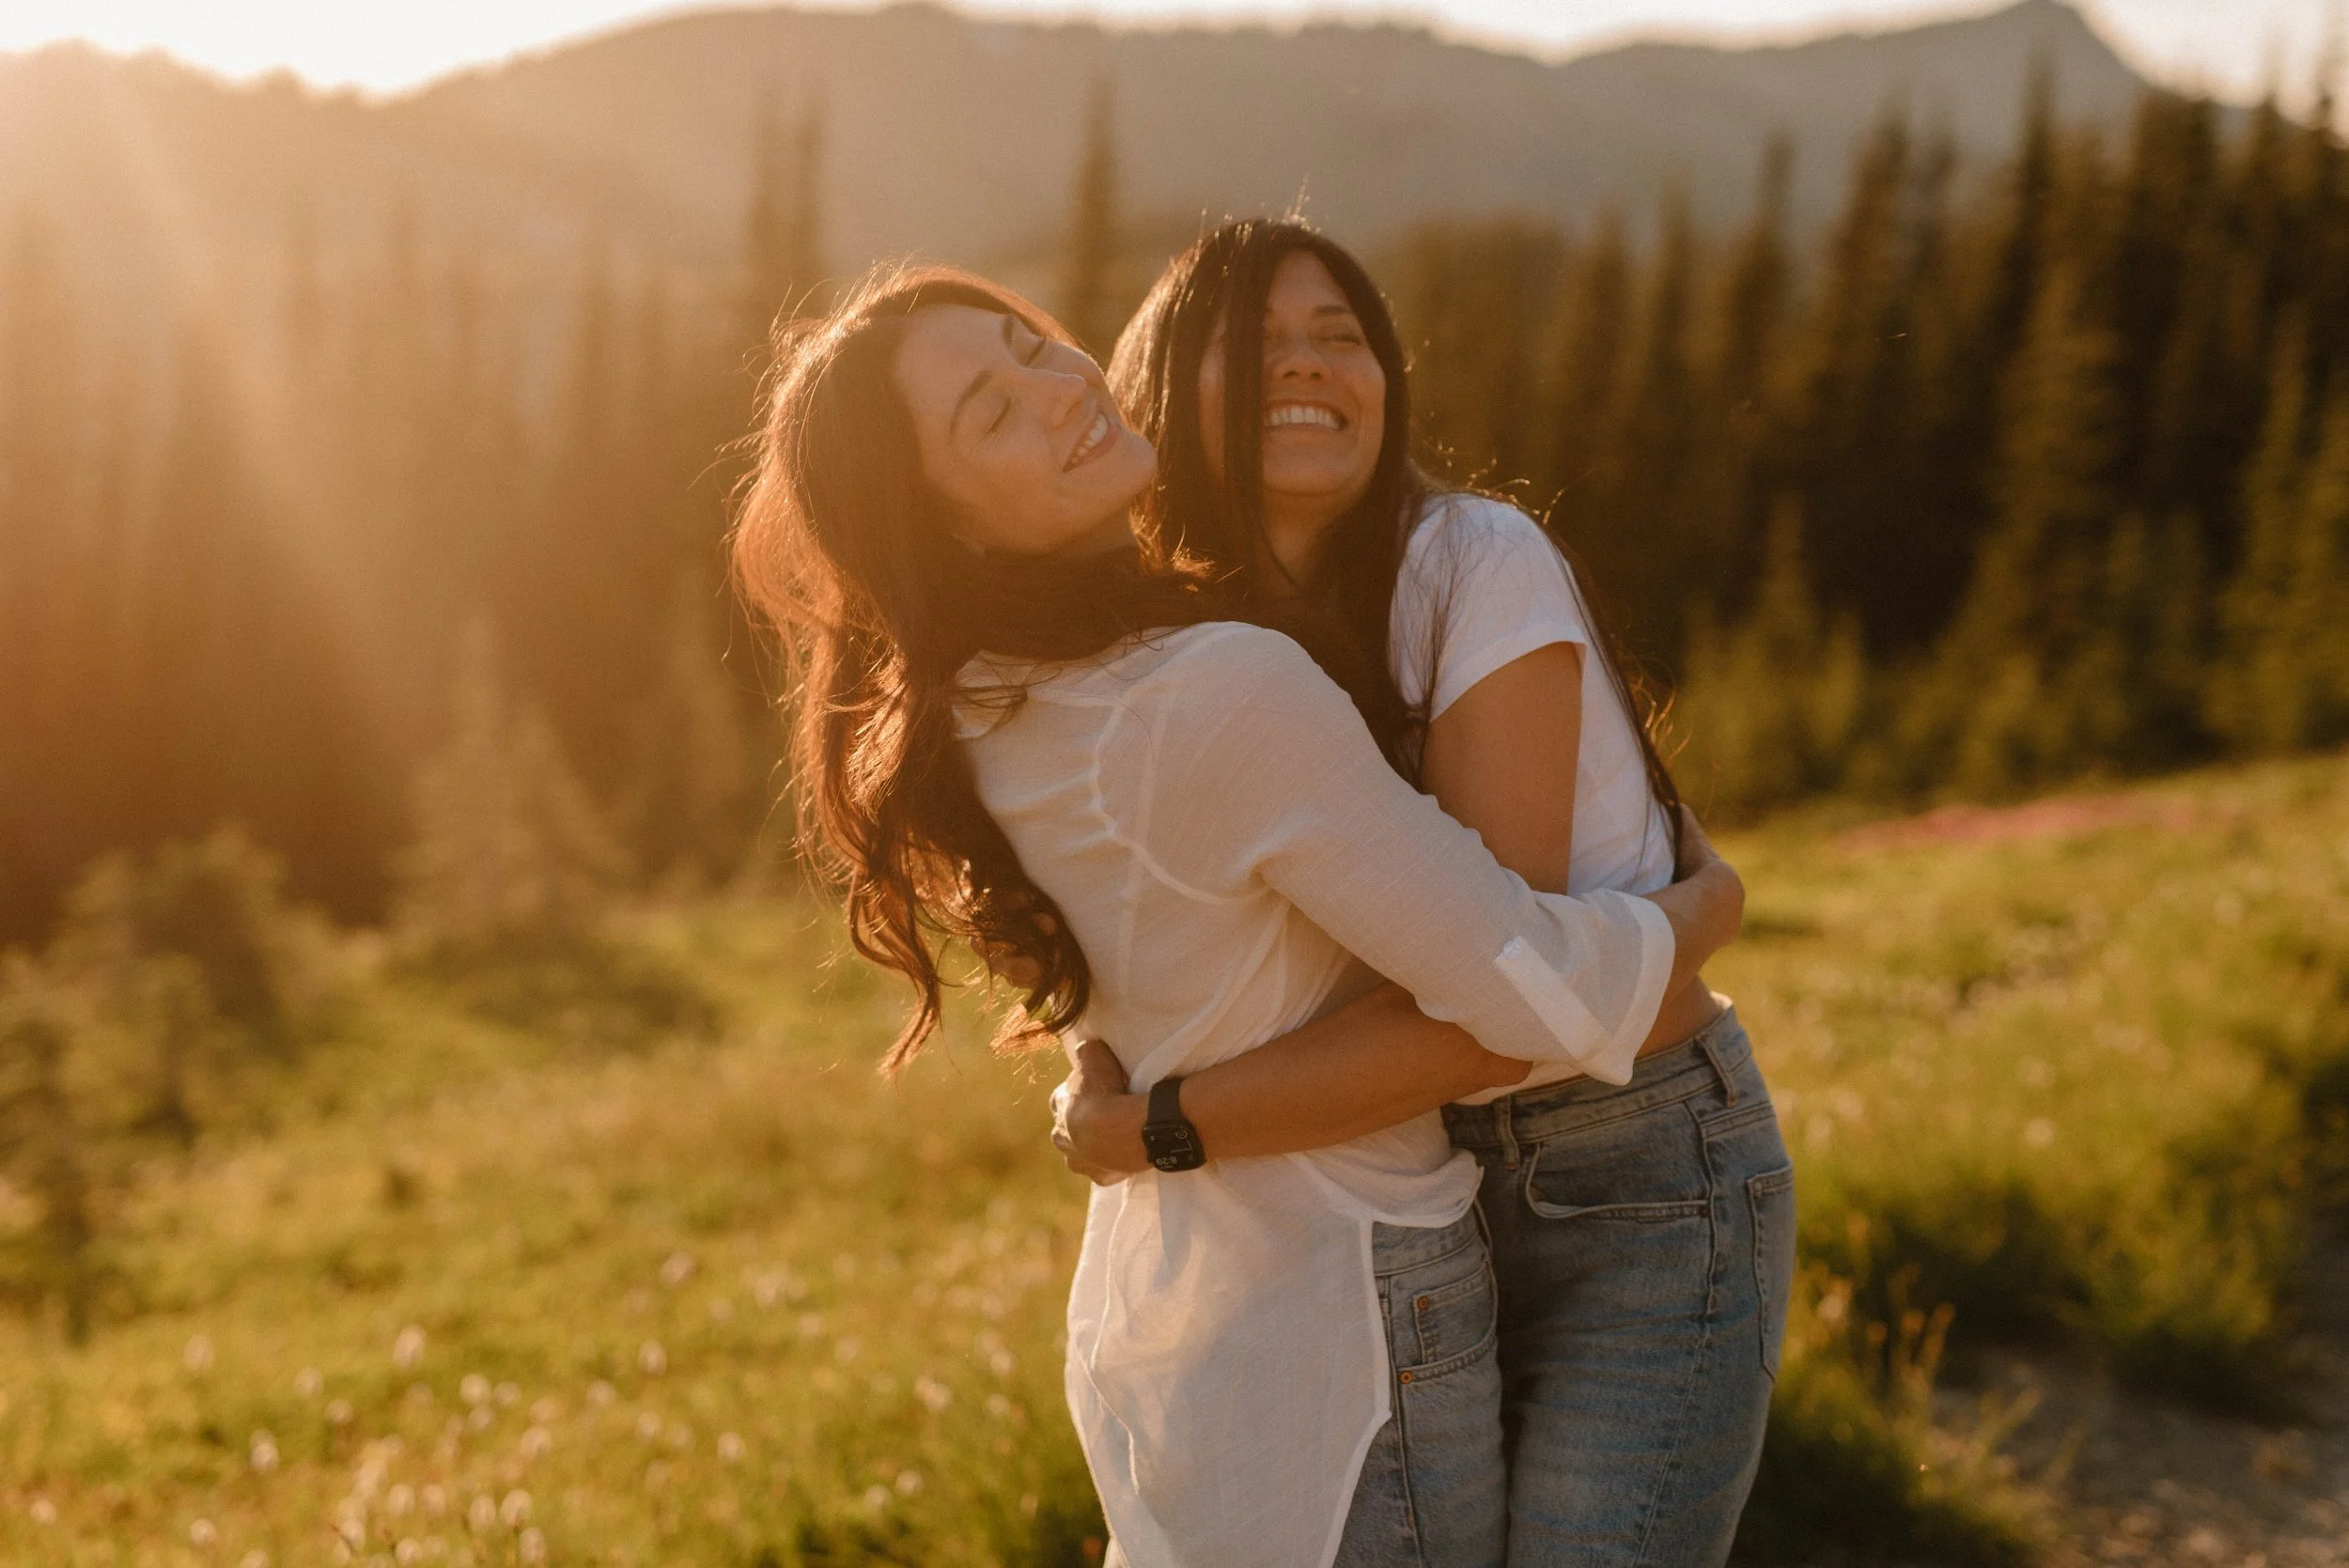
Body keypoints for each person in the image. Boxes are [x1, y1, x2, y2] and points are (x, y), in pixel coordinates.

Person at [728, 261, 1748, 1568]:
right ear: (949, 529)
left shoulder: (976, 717)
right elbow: (1526, 1005)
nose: (1058, 389)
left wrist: (1139, 1127)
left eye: (1028, 346)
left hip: (1178, 1306)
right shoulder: (1212, 686)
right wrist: (1701, 907)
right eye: (989, 413)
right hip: (1346, 1303)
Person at [1050, 219, 1795, 1566]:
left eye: (1343, 336)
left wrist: (1159, 1126)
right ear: (1163, 386)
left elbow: (1504, 999)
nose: (1315, 365)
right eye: (1262, 340)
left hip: (1632, 1180)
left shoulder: (1470, 560)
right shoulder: (1177, 646)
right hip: (1391, 1204)